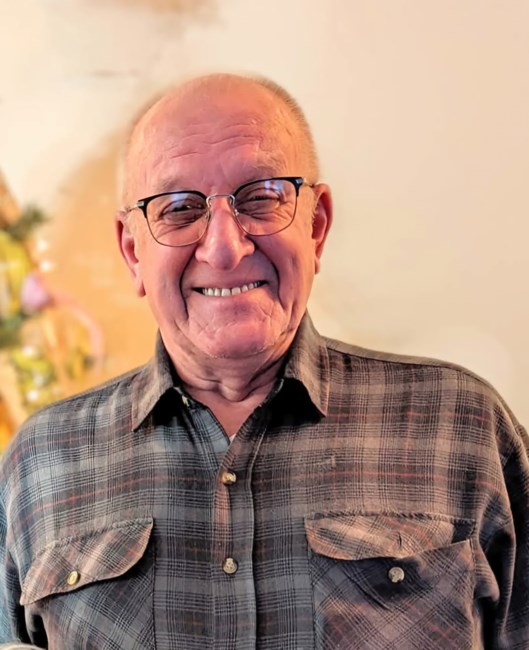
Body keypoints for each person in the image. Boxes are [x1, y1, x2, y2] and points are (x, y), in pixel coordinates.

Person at [0, 72, 527, 650]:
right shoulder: (39, 464)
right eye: (179, 208)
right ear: (133, 253)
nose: (224, 247)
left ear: (316, 226)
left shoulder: (464, 428)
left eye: (262, 197)